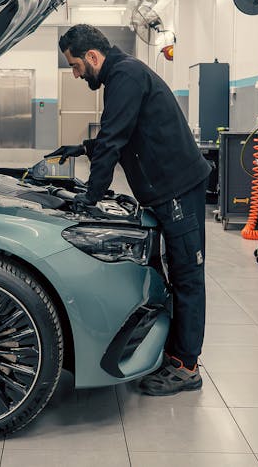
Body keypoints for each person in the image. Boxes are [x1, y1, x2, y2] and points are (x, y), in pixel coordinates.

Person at [47, 24, 212, 396]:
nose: (75, 74)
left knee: (187, 275)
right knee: (175, 272)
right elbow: (125, 134)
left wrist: (90, 198)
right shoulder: (124, 75)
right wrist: (83, 149)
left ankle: (186, 367)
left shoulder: (125, 76)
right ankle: (175, 352)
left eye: (75, 66)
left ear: (92, 57)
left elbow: (115, 138)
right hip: (168, 190)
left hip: (177, 190)